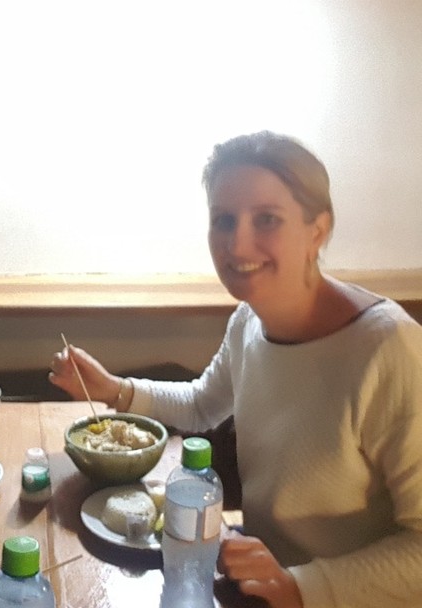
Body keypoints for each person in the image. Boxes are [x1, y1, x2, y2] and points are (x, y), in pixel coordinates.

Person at [49, 132, 422, 608]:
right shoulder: (250, 319)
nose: (237, 241)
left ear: (318, 230)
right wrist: (113, 389)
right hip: (258, 584)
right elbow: (205, 403)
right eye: (223, 220)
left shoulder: (391, 350)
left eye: (266, 219)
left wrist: (303, 588)